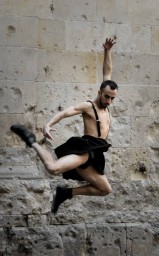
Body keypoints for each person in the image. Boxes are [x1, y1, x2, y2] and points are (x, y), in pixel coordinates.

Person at [10, 37, 118, 214]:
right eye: (106, 97)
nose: (109, 101)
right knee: (53, 168)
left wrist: (107, 51)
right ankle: (32, 141)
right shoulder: (89, 106)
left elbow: (107, 73)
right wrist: (49, 124)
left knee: (105, 189)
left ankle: (66, 192)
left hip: (97, 154)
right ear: (100, 92)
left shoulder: (107, 97)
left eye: (112, 98)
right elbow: (68, 111)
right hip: (85, 151)